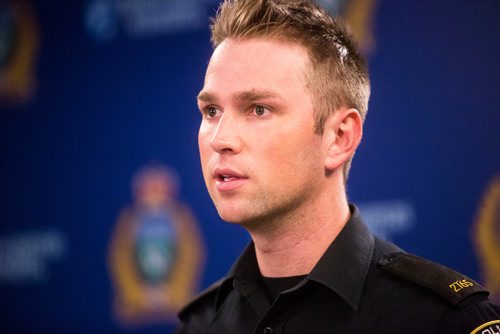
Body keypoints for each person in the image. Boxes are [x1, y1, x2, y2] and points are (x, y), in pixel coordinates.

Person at [176, 0, 500, 332]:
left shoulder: (444, 321)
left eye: (259, 109)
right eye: (212, 111)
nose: (220, 138)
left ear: (339, 137)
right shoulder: (200, 325)